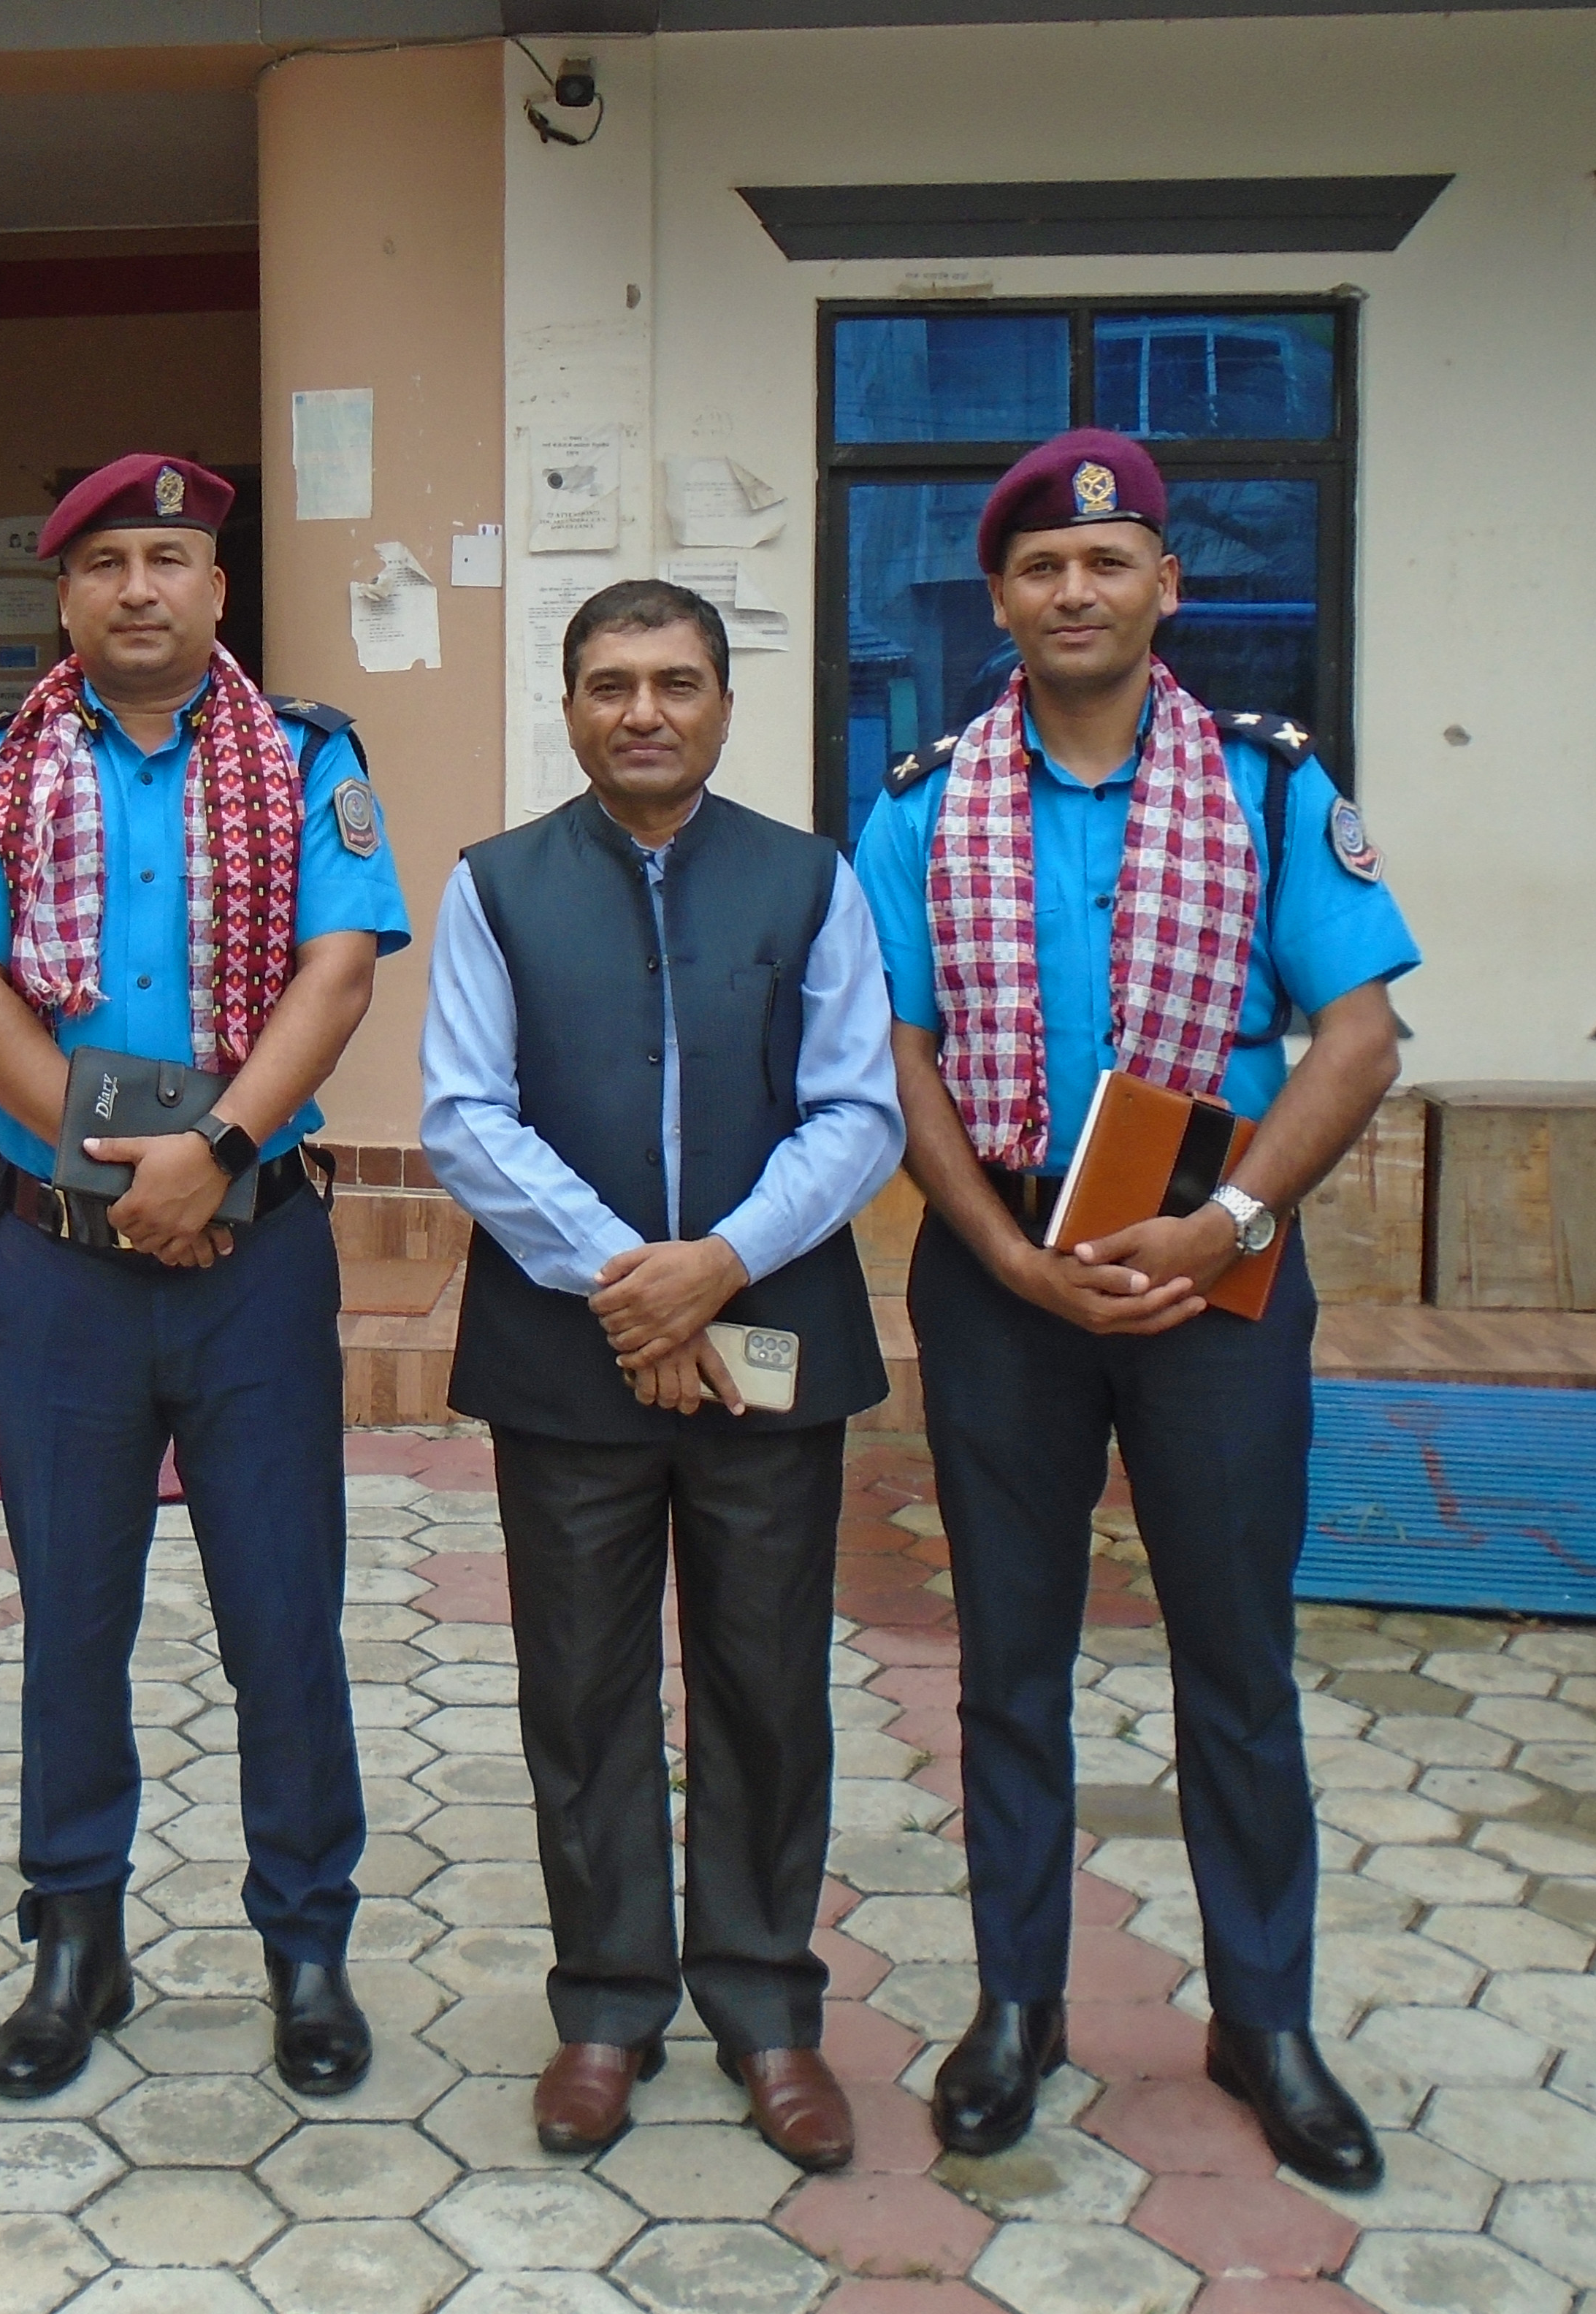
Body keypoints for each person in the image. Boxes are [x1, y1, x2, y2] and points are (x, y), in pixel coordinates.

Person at [851, 428, 1415, 2191]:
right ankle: (1014, 2005)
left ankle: (1263, 2014)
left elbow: (1359, 1038)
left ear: (1163, 583)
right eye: (1039, 567)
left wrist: (1230, 1216)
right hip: (999, 1271)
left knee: (1234, 1662)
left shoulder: (1263, 789)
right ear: (998, 598)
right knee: (1007, 1664)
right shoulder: (919, 803)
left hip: (1216, 1275)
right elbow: (895, 1052)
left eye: (1108, 563)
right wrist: (1000, 1256)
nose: (1073, 591)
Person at [0, 452, 408, 2099]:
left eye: (169, 558)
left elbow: (334, 978)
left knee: (282, 1618)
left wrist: (213, 1158)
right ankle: (75, 1943)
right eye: (105, 560)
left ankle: (307, 1948)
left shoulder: (311, 760)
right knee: (71, 1620)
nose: (137, 588)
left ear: (215, 589)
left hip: (255, 1257)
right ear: (61, 593)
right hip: (64, 1269)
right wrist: (121, 1177)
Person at [419, 578, 903, 2172]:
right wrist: (631, 1277)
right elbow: (463, 1114)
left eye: (675, 681)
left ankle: (766, 2010)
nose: (643, 710)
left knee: (766, 1683)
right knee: (583, 1684)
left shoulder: (808, 879)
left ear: (720, 702)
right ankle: (607, 2004)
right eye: (611, 682)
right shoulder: (493, 885)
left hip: (768, 1347)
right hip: (571, 1361)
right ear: (566, 705)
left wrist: (716, 1268)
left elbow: (853, 1110)